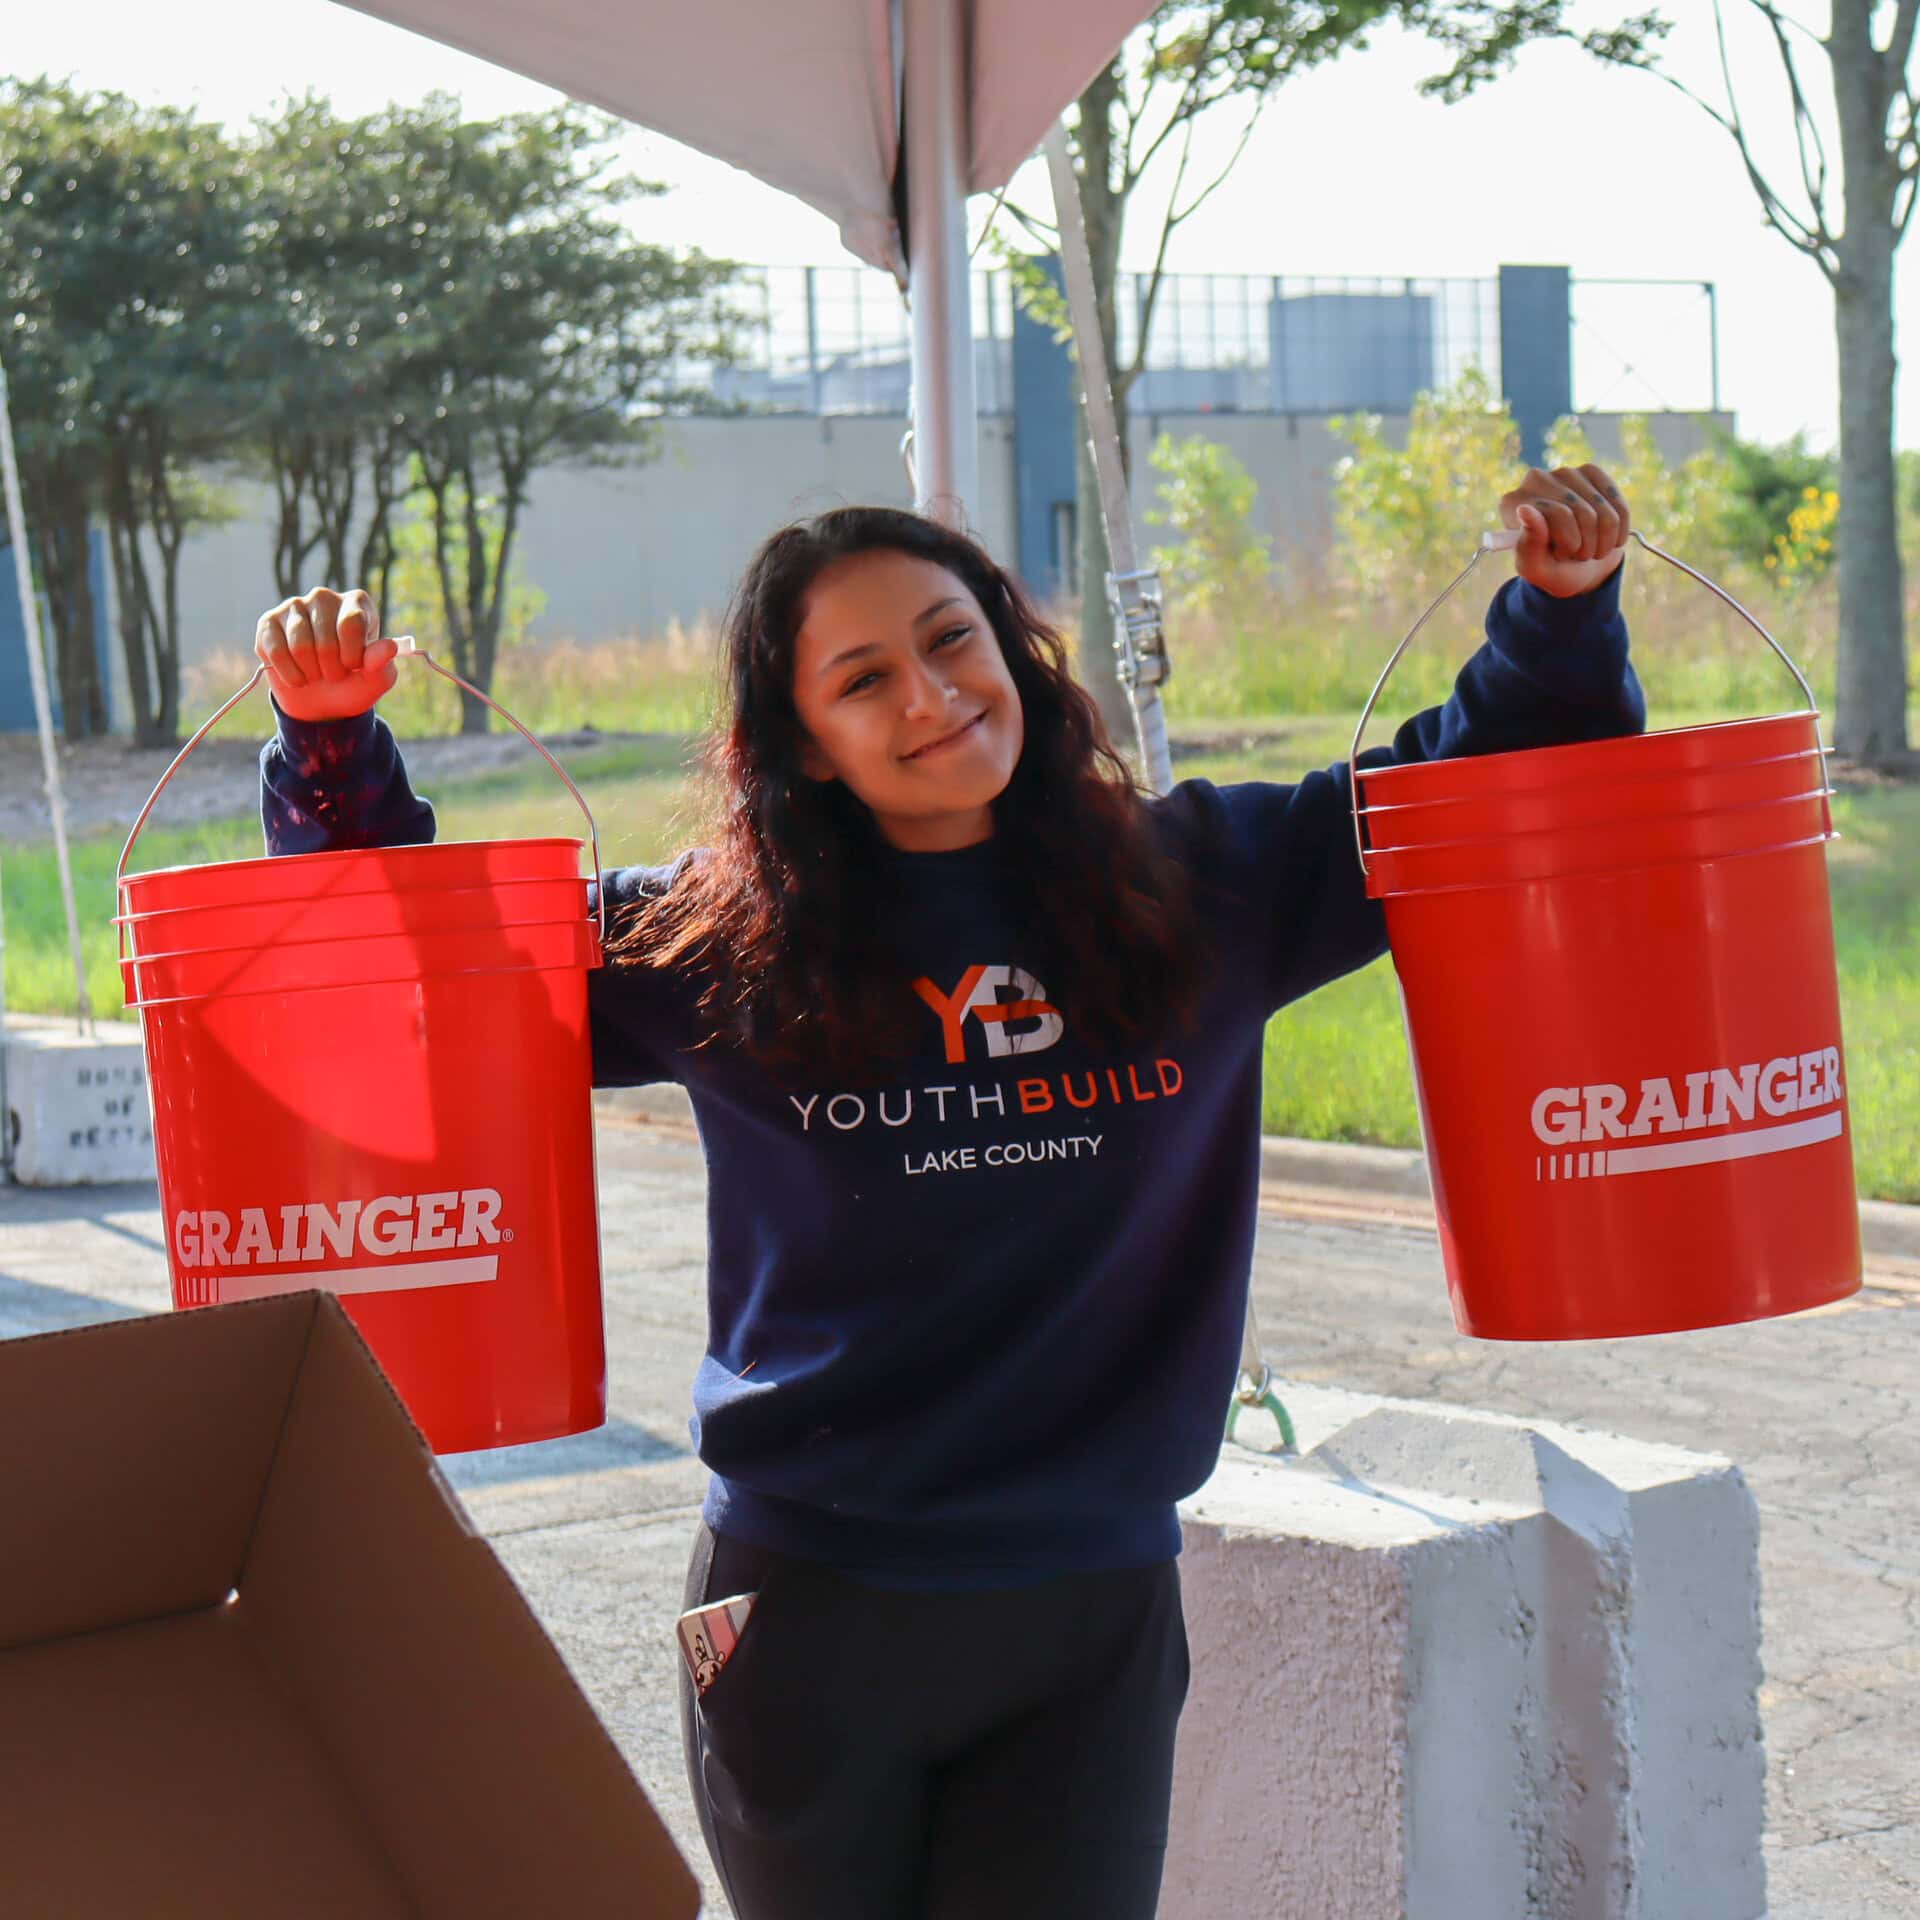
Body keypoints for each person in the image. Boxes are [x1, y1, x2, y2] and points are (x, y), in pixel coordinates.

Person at [255, 463, 1642, 1919]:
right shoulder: (721, 942)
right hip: (804, 1603)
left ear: (1011, 644)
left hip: (1084, 1611)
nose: (928, 695)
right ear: (803, 742)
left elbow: (1473, 793)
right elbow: (405, 951)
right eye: (863, 678)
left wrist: (1558, 613)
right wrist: (331, 739)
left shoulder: (1205, 883)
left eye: (949, 638)